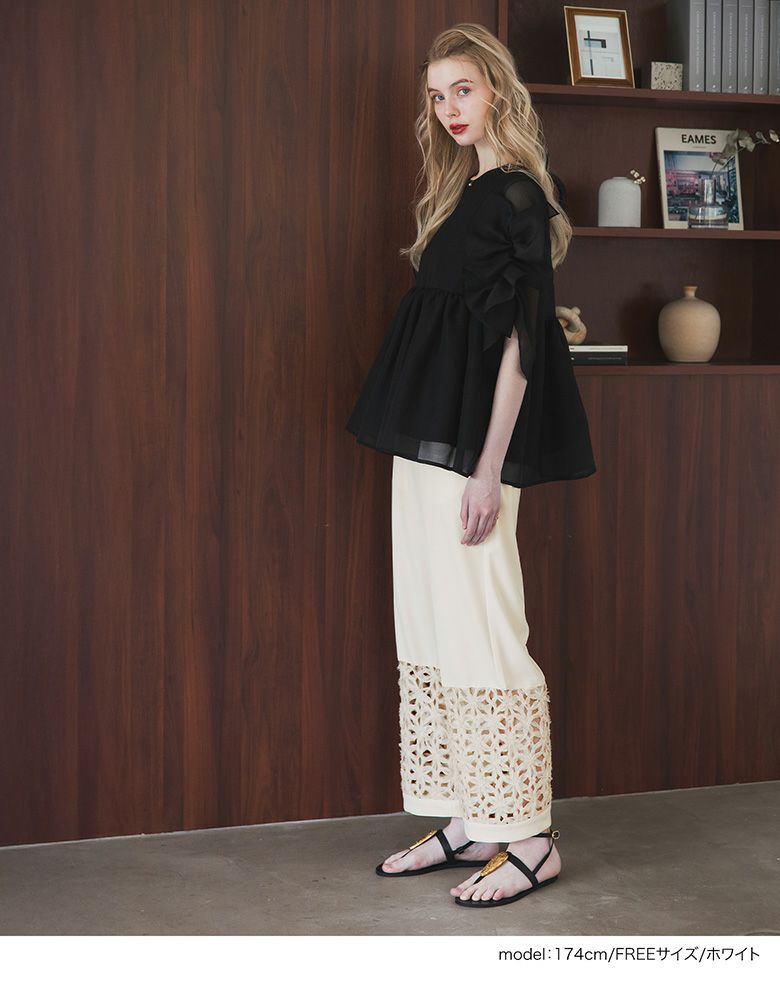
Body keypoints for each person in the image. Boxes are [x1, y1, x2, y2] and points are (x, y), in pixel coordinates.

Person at [345, 23, 596, 908]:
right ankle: (471, 815)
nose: (449, 108)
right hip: (424, 442)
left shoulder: (519, 194)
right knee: (432, 622)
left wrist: (489, 468)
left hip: (469, 453)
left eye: (463, 88)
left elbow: (524, 345)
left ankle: (529, 834)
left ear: (496, 89)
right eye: (437, 95)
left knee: (485, 625)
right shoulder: (468, 191)